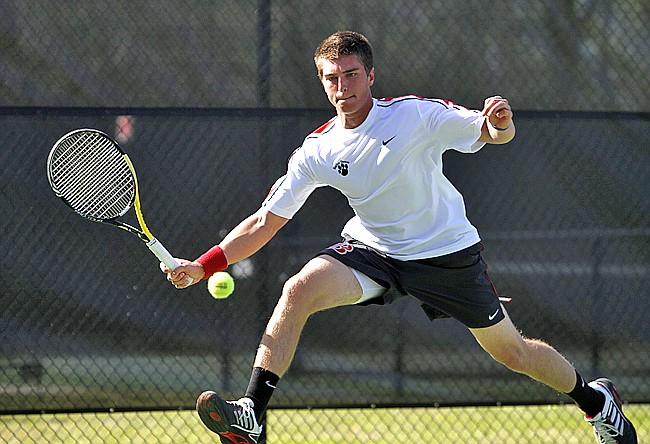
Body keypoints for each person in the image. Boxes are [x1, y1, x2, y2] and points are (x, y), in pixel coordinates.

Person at [162, 31, 637, 444]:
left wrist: (500, 123)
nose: (341, 87)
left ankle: (595, 400)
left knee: (514, 353)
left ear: (370, 76)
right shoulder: (317, 149)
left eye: (350, 75)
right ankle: (251, 413)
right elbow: (265, 222)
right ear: (322, 82)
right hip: (373, 252)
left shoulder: (414, 116)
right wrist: (203, 266)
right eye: (331, 78)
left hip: (446, 256)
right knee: (297, 289)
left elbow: (490, 134)